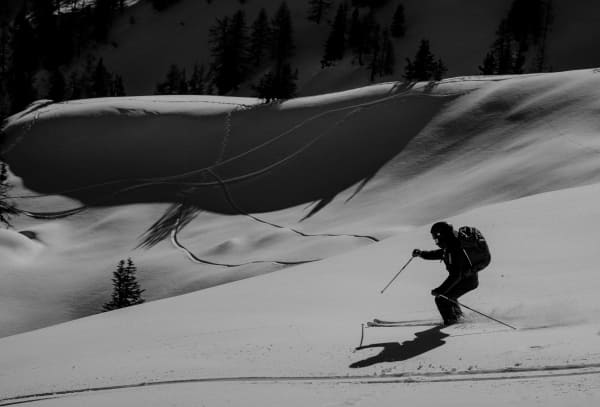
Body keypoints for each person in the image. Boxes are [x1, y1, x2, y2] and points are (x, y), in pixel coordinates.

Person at [412, 221, 479, 326]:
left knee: (441, 298)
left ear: (442, 235)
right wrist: (421, 254)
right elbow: (437, 254)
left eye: (436, 237)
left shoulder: (454, 249)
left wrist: (440, 290)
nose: (435, 240)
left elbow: (456, 275)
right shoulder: (450, 246)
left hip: (467, 281)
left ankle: (452, 322)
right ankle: (457, 317)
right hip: (465, 279)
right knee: (447, 296)